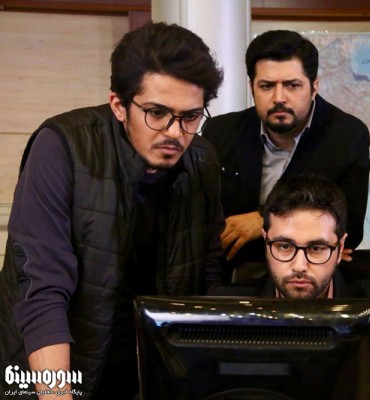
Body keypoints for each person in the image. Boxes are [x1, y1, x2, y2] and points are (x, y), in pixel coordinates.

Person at [0, 22, 224, 399]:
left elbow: (207, 275)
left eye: (190, 117)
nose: (175, 132)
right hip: (58, 361)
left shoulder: (203, 161)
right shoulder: (64, 147)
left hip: (148, 366)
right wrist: (55, 394)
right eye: (157, 113)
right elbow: (40, 286)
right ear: (119, 106)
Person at [208, 173, 370, 399]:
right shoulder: (224, 312)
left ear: (340, 249)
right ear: (266, 242)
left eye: (316, 248)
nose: (299, 265)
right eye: (284, 246)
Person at [202, 29, 370, 281]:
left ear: (314, 87)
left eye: (292, 86)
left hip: (308, 277)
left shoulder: (347, 136)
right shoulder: (220, 132)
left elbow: (349, 229)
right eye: (267, 86)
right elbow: (206, 220)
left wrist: (264, 218)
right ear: (251, 87)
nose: (279, 98)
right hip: (231, 275)